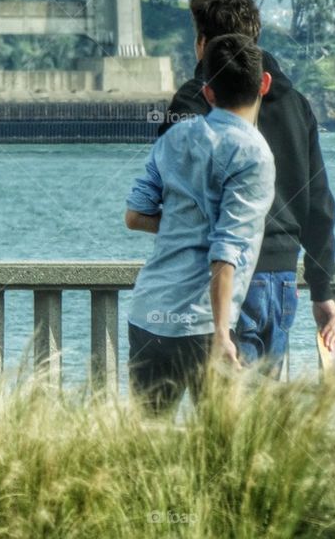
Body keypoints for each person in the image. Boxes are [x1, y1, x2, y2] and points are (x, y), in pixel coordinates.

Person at [158, 0, 335, 377]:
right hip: (281, 283)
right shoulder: (296, 103)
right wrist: (322, 290)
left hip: (222, 279)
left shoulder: (193, 103)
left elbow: (166, 192)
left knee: (223, 407)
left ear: (203, 43)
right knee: (262, 408)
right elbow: (319, 203)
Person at [126, 34, 275, 416]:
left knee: (143, 441)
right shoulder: (254, 154)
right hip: (204, 324)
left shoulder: (176, 136)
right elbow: (226, 251)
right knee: (220, 443)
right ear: (264, 84)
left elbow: (135, 214)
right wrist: (223, 332)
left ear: (207, 92)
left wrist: (181, 226)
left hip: (148, 313)